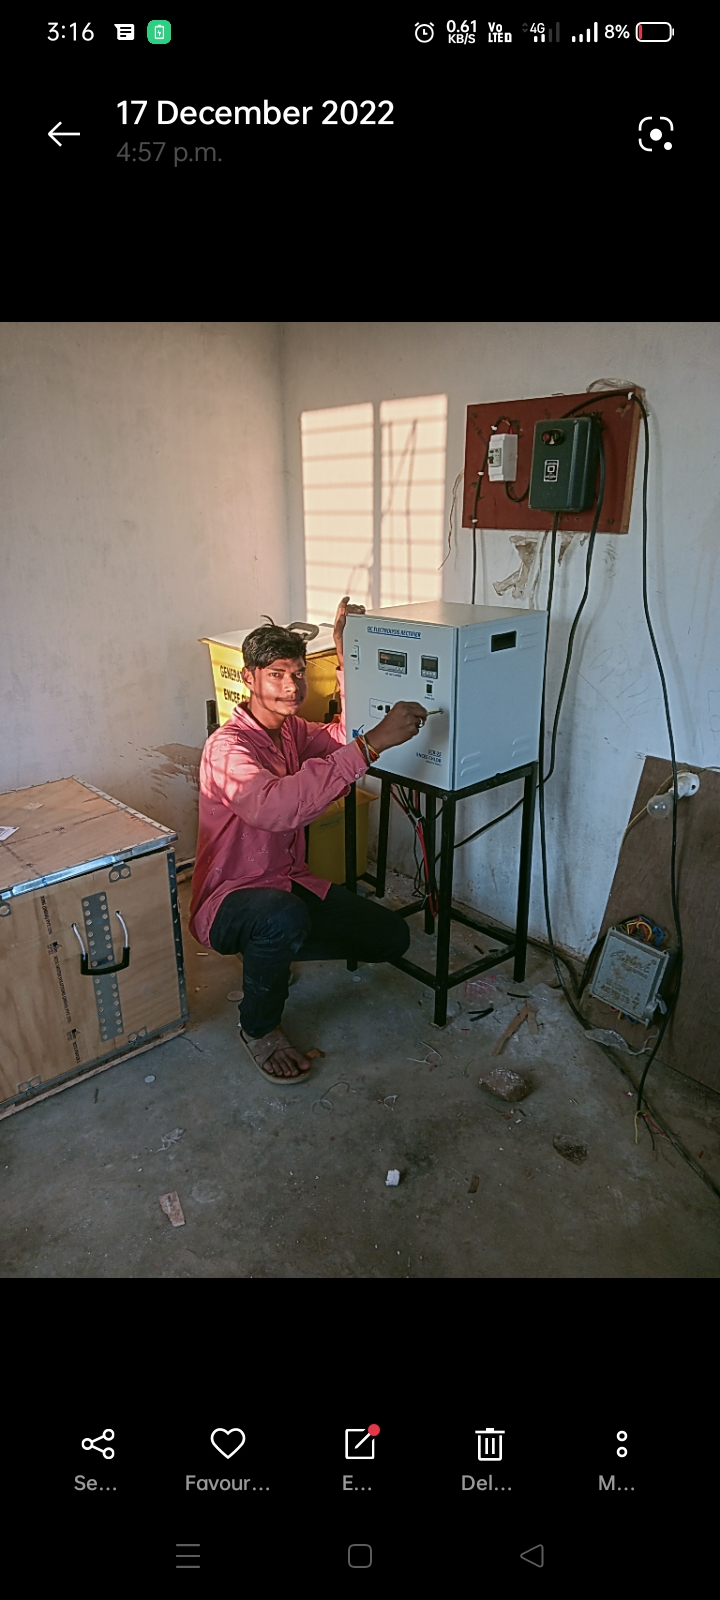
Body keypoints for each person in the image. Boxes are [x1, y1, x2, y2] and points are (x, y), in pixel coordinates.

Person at [189, 597, 429, 1082]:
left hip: (285, 883)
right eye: (276, 674)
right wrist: (372, 744)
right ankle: (259, 1027)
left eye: (298, 674)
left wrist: (344, 652)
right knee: (281, 917)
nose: (292, 686)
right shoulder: (227, 748)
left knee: (389, 938)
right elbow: (275, 808)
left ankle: (267, 951)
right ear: (249, 677)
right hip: (231, 896)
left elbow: (343, 735)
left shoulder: (291, 732)